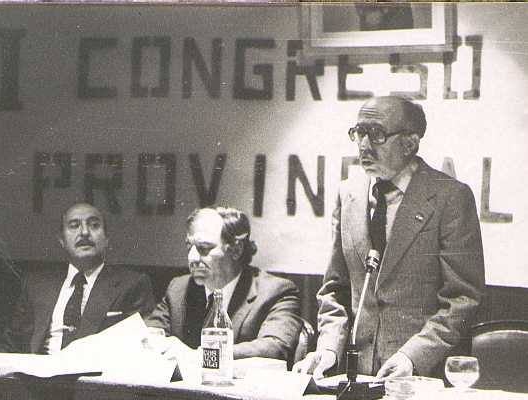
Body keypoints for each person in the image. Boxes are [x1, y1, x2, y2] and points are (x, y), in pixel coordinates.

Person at [296, 96, 485, 379]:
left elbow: (462, 297)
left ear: (410, 143)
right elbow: (336, 289)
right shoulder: (349, 194)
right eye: (358, 133)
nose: (363, 145)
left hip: (420, 376)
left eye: (377, 134)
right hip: (354, 374)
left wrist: (412, 357)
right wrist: (328, 349)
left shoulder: (450, 197)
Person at [146, 206, 310, 363]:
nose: (192, 258)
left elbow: (274, 347)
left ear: (236, 250)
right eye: (189, 247)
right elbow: (149, 334)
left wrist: (201, 356)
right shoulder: (178, 289)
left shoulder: (276, 292)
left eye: (204, 248)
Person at [0, 202, 155, 354]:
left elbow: (138, 348)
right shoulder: (37, 285)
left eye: (94, 225)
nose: (85, 232)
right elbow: (11, 343)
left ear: (107, 238)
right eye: (74, 226)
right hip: (38, 374)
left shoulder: (132, 284)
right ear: (62, 240)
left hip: (93, 376)